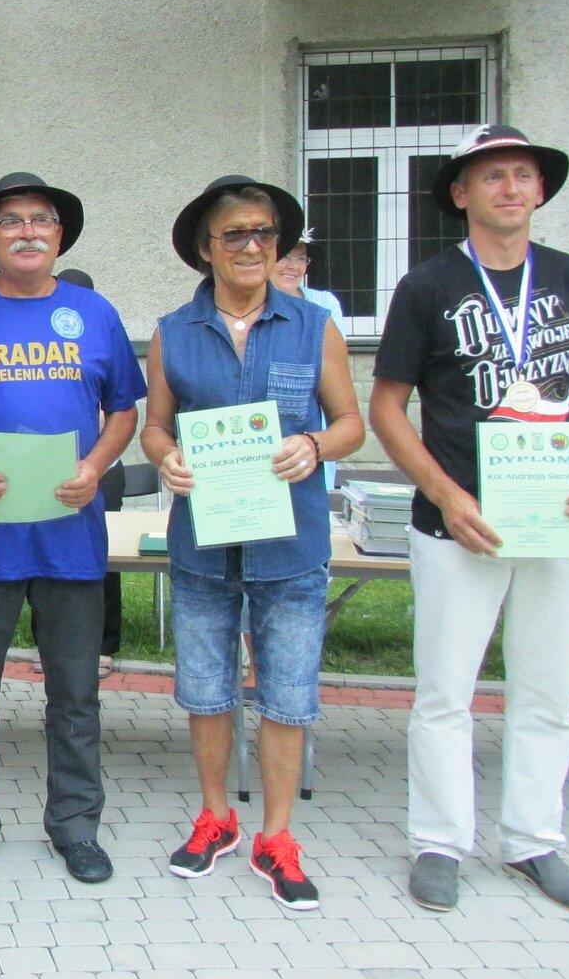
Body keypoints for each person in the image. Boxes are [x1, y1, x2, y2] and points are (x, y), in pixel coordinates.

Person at [370, 125, 569, 915]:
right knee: (445, 692)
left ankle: (534, 839)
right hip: (459, 522)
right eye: (492, 176)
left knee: (548, 689)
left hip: (556, 516)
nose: (510, 187)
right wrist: (446, 493)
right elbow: (387, 408)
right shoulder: (427, 286)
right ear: (461, 193)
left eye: (523, 175)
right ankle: (440, 842)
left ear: (541, 191)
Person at [142, 175, 363, 911]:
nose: (251, 246)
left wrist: (314, 444)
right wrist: (166, 457)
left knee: (288, 697)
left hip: (291, 546)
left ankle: (277, 837)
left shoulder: (314, 326)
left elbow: (351, 424)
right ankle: (216, 818)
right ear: (205, 249)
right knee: (206, 692)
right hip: (204, 544)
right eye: (233, 233)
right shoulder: (174, 332)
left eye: (263, 233)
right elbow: (155, 427)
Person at [0, 174, 145, 882]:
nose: (27, 231)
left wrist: (96, 465)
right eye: (11, 221)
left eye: (41, 219)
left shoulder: (95, 313)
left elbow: (124, 410)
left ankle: (76, 825)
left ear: (59, 236)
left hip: (69, 534)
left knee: (75, 693)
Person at [59, 266, 128, 675]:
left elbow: (119, 406)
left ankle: (104, 642)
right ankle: (48, 638)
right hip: (49, 466)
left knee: (103, 557)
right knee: (48, 556)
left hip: (100, 466)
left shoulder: (98, 328)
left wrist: (94, 460)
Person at [273, 228, 345, 489]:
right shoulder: (250, 307)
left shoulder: (324, 304)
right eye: (285, 256)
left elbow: (329, 369)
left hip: (310, 429)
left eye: (300, 258)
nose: (293, 266)